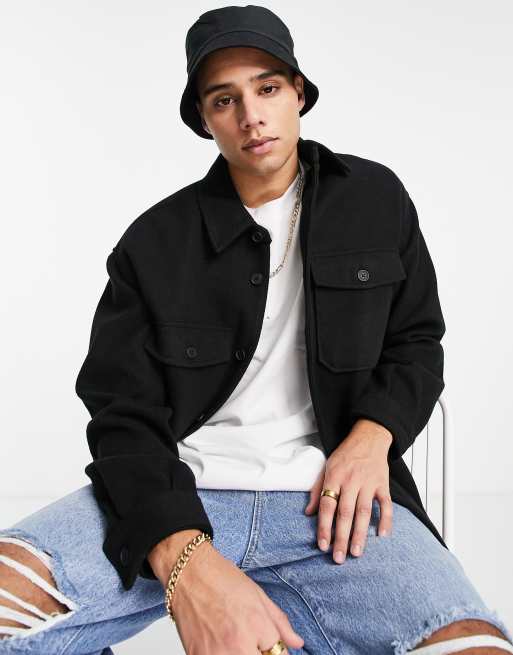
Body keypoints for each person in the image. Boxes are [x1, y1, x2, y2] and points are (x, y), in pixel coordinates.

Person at [1, 5, 512, 655]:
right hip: (180, 495)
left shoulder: (375, 200)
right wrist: (185, 558)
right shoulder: (153, 243)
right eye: (224, 99)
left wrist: (371, 437)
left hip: (335, 503)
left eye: (267, 88)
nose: (250, 116)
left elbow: (415, 341)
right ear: (204, 118)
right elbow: (121, 413)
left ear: (298, 92)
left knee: (475, 646)